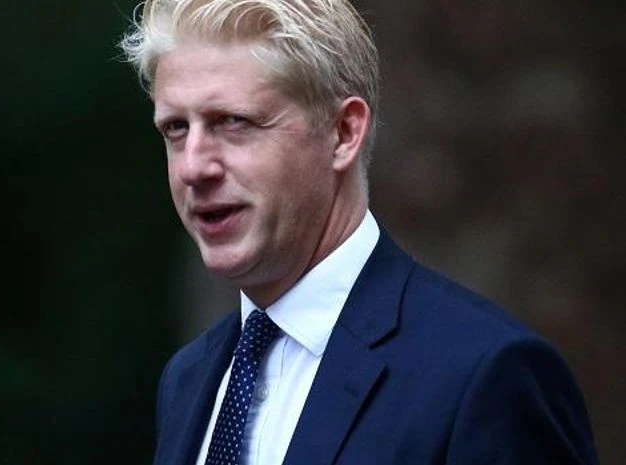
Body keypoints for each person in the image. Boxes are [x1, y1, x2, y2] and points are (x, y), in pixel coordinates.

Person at [119, 1, 599, 464]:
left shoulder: (485, 376)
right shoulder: (189, 378)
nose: (193, 167)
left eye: (234, 123)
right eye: (176, 129)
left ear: (344, 133)